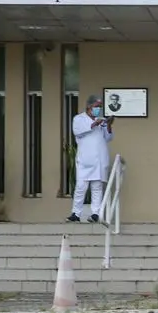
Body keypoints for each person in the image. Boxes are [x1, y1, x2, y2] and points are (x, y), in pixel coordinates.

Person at [68, 93, 115, 223]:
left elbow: (108, 138)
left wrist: (109, 124)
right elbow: (78, 131)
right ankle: (76, 214)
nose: (98, 109)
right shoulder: (79, 119)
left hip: (99, 159)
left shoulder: (102, 121)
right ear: (89, 106)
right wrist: (94, 124)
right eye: (96, 106)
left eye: (100, 106)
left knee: (97, 187)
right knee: (81, 187)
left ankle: (95, 213)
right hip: (85, 160)